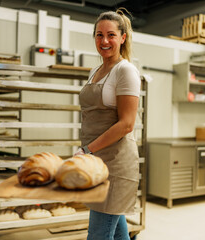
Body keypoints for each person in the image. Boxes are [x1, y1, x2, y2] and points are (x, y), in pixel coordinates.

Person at [75, 8, 141, 240]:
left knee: (98, 234)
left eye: (111, 35)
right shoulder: (96, 71)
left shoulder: (126, 71)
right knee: (116, 229)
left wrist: (87, 149)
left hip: (116, 164)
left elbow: (126, 124)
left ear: (123, 38)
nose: (104, 41)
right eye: (99, 35)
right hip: (97, 161)